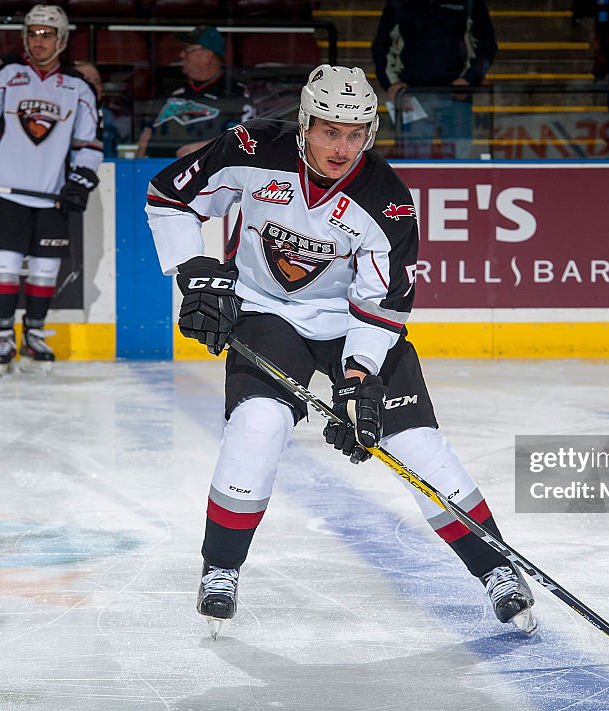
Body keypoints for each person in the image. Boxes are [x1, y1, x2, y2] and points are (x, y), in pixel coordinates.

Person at [144, 65, 537, 636]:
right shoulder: (252, 148)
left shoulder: (388, 200)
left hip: (352, 324)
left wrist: (358, 378)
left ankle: (496, 569)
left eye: (356, 134)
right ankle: (220, 567)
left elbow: (381, 303)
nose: (342, 147)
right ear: (305, 123)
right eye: (330, 131)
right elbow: (168, 197)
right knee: (258, 424)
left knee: (415, 443)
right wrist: (195, 273)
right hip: (265, 310)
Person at [0, 4, 102, 374]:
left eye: (47, 34)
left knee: (45, 267)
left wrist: (81, 181)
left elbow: (88, 144)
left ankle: (36, 333)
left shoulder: (78, 88)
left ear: (62, 40)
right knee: (4, 264)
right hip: (3, 193)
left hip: (51, 194)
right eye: (33, 33)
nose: (38, 41)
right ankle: (6, 334)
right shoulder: (5, 76)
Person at [371, 0, 497, 159]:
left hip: (457, 95)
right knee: (413, 162)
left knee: (460, 162)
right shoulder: (400, 3)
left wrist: (469, 79)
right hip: (412, 95)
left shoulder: (469, 2)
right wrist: (391, 85)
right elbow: (382, 45)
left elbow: (486, 45)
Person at [135, 26, 255, 158]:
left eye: (188, 50)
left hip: (209, 172)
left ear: (207, 55)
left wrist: (203, 148)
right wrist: (138, 164)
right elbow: (146, 134)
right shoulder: (170, 89)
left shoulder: (234, 92)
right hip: (158, 170)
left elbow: (244, 138)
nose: (181, 55)